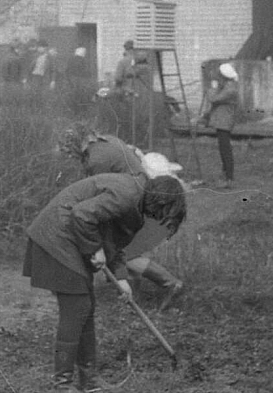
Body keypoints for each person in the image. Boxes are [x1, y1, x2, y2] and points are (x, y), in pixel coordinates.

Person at [24, 173, 187, 393]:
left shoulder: (136, 205)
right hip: (57, 237)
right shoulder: (126, 195)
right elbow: (81, 215)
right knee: (77, 307)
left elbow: (113, 242)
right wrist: (94, 248)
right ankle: (62, 386)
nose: (159, 221)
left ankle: (89, 380)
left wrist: (121, 278)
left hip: (69, 238)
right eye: (163, 215)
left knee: (85, 308)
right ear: (161, 202)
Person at [57, 123, 185, 309]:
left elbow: (99, 191)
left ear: (77, 145)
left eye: (69, 151)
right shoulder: (108, 140)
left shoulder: (96, 160)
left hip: (132, 203)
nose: (70, 156)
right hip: (138, 197)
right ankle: (135, 297)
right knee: (124, 252)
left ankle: (170, 284)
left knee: (125, 253)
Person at [202, 63, 239, 188]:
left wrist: (211, 87)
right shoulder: (226, 87)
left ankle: (229, 178)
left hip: (225, 123)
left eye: (219, 76)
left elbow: (213, 99)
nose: (217, 78)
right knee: (223, 149)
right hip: (221, 122)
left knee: (225, 150)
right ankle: (226, 176)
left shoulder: (230, 89)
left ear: (224, 76)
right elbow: (215, 104)